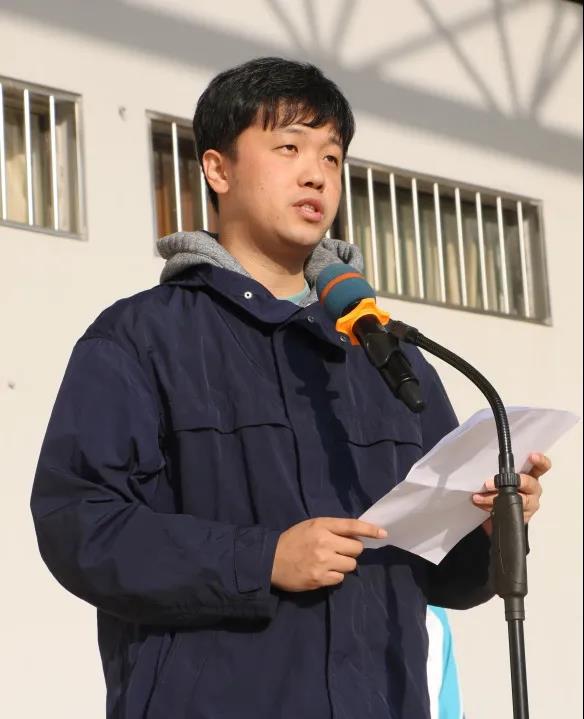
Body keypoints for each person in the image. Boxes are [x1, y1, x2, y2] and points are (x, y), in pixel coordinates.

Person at [31, 57, 549, 719]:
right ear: (217, 169)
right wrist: (263, 560)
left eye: (332, 156)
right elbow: (80, 526)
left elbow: (445, 579)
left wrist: (491, 524)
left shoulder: (388, 353)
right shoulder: (142, 338)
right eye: (289, 147)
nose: (316, 174)